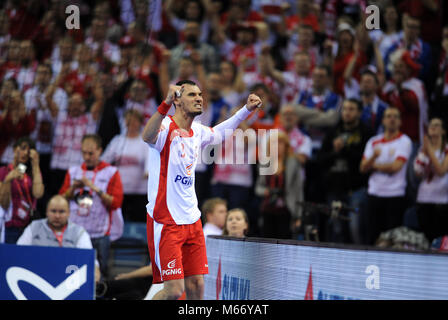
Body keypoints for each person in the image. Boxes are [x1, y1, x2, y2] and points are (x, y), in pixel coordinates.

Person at [142, 79, 261, 300]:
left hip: (192, 220)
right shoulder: (166, 126)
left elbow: (219, 133)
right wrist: (164, 103)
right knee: (174, 291)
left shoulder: (197, 131)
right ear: (177, 101)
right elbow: (147, 136)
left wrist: (245, 111)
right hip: (166, 220)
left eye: (200, 94)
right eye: (192, 95)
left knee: (197, 285)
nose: (199, 98)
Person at [59, 134, 124, 279]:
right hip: (75, 231)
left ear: (100, 151)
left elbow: (116, 202)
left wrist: (93, 188)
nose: (87, 157)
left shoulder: (111, 172)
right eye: (83, 153)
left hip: (99, 234)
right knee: (70, 270)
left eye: (91, 153)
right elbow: (60, 200)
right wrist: (72, 188)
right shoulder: (73, 171)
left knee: (100, 276)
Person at [316, 99, 373, 244]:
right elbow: (320, 159)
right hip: (334, 189)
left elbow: (364, 160)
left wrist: (345, 149)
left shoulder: (366, 133)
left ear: (359, 112)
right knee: (337, 230)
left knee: (356, 229)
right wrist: (335, 152)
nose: (347, 112)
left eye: (351, 109)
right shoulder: (333, 132)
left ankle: (360, 262)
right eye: (345, 109)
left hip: (356, 188)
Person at [16, 195, 101, 282]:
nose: (57, 216)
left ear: (69, 213)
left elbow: (90, 259)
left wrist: (95, 270)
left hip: (68, 280)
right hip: (36, 277)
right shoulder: (33, 227)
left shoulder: (79, 232)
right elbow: (18, 253)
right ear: (46, 212)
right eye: (53, 211)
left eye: (61, 212)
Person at [360, 107, 412, 245]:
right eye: (388, 116)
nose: (392, 119)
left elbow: (395, 167)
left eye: (395, 116)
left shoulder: (404, 141)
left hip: (395, 195)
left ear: (400, 121)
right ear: (383, 120)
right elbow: (362, 168)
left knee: (391, 240)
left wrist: (373, 164)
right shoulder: (373, 141)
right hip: (374, 193)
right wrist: (373, 159)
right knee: (371, 236)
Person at [101, 109, 148, 222]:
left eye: (134, 121)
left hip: (139, 191)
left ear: (140, 123)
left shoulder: (145, 142)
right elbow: (104, 160)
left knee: (138, 220)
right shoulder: (117, 141)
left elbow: (149, 161)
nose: (131, 123)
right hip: (119, 190)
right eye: (128, 121)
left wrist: (148, 172)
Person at [255, 131, 303, 240]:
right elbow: (258, 188)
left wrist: (298, 216)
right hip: (268, 209)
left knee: (284, 242)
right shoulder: (265, 163)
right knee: (267, 242)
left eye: (280, 143)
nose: (277, 146)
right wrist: (266, 191)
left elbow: (298, 190)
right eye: (274, 143)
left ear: (286, 146)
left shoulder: (293, 163)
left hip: (287, 209)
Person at [0, 137, 44, 243]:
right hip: (8, 226)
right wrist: (8, 180)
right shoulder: (4, 171)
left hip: (28, 227)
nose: (25, 153)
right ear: (15, 149)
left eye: (29, 151)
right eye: (23, 148)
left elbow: (38, 194)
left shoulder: (32, 173)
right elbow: (2, 203)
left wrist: (36, 164)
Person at [413, 118, 448, 243]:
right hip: (423, 198)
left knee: (439, 237)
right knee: (426, 238)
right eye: (431, 125)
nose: (432, 127)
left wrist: (429, 150)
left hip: (441, 201)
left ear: (443, 130)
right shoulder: (423, 150)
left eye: (437, 125)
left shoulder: (445, 149)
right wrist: (424, 154)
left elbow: (441, 170)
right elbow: (417, 172)